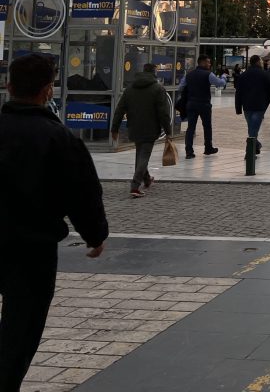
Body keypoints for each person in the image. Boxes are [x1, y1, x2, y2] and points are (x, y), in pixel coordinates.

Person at [0, 53, 108, 389]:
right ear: (48, 90)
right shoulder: (59, 138)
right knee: (21, 329)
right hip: (32, 249)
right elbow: (83, 192)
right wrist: (95, 235)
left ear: (8, 86)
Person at [111, 62, 173, 198]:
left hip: (134, 127)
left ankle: (146, 179)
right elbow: (163, 113)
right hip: (150, 128)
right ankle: (135, 185)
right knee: (143, 156)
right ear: (154, 73)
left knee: (140, 153)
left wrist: (114, 128)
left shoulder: (129, 88)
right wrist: (168, 131)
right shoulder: (158, 89)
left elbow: (119, 110)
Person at [182, 54, 227, 159]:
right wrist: (224, 77)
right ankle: (208, 148)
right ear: (202, 62)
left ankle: (189, 151)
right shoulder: (208, 74)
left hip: (191, 103)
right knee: (207, 127)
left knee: (190, 128)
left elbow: (181, 86)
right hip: (204, 104)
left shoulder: (189, 74)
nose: (209, 64)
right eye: (208, 62)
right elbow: (220, 83)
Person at [234, 55, 270, 155]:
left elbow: (238, 92)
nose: (262, 63)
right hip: (259, 106)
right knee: (253, 130)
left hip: (247, 106)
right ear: (257, 62)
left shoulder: (243, 75)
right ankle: (249, 152)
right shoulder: (264, 74)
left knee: (252, 128)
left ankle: (255, 147)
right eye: (261, 61)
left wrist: (238, 107)